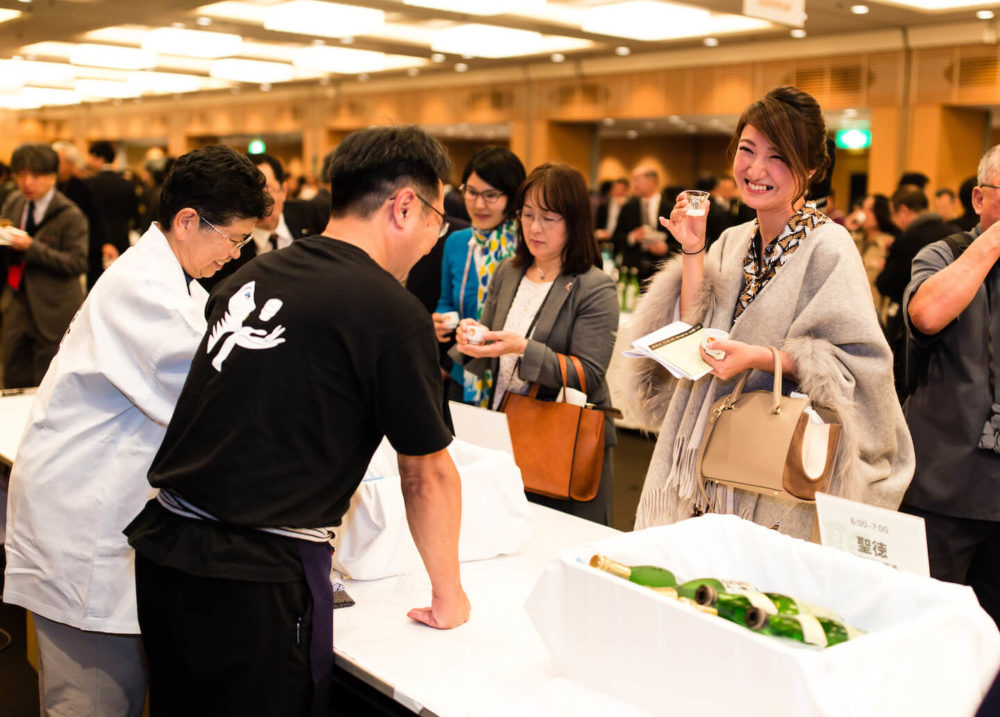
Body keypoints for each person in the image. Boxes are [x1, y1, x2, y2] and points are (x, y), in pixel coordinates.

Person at [125, 125, 470, 716]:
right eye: (437, 221)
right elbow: (426, 474)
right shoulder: (391, 311)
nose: (433, 240)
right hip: (254, 581)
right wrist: (449, 596)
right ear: (404, 206)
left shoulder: (249, 276)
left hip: (166, 555)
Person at [3, 145, 271, 717]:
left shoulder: (173, 279)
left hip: (102, 504)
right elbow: (213, 396)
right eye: (234, 239)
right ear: (188, 220)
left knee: (117, 690)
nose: (235, 254)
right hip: (84, 521)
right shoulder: (146, 290)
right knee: (91, 700)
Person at [622, 86, 914, 537]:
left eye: (777, 156)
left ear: (811, 168)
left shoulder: (829, 246)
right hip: (711, 445)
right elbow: (698, 325)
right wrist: (694, 249)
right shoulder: (734, 238)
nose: (755, 169)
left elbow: (860, 366)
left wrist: (759, 358)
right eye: (747, 150)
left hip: (774, 461)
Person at [453, 163, 619, 525]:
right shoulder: (509, 271)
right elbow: (493, 347)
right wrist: (473, 339)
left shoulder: (594, 286)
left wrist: (522, 348)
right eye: (527, 215)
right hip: (505, 429)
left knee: (560, 537)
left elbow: (589, 373)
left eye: (548, 218)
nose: (534, 228)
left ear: (574, 221)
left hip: (561, 440)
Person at [900, 143, 1000, 627]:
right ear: (979, 199)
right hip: (943, 489)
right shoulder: (943, 253)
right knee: (928, 628)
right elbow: (926, 314)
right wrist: (993, 243)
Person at [433, 146, 526, 405]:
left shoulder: (527, 244)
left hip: (513, 379)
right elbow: (446, 301)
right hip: (464, 372)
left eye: (491, 195)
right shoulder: (457, 242)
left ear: (512, 196)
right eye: (471, 192)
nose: (478, 204)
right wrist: (440, 320)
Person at [0, 143, 88, 388]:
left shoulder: (70, 214)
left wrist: (32, 247)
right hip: (17, 301)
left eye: (36, 175)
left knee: (47, 382)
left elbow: (77, 263)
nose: (27, 182)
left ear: (53, 176)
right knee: (12, 374)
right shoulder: (14, 202)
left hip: (53, 308)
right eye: (21, 175)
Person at [199, 152, 326, 292]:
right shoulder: (228, 247)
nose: (259, 201)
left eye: (266, 189)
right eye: (250, 193)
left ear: (283, 190)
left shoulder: (311, 215)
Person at [85, 140, 139, 284]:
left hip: (96, 242)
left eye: (91, 157)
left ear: (99, 158)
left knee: (96, 284)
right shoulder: (127, 184)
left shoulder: (88, 184)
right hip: (121, 238)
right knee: (121, 281)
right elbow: (133, 214)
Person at [612, 164, 677, 284]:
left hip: (662, 272)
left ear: (652, 181)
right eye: (632, 180)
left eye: (636, 180)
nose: (632, 184)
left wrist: (666, 248)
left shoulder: (670, 208)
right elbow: (616, 237)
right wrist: (632, 237)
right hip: (632, 272)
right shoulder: (628, 207)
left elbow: (681, 243)